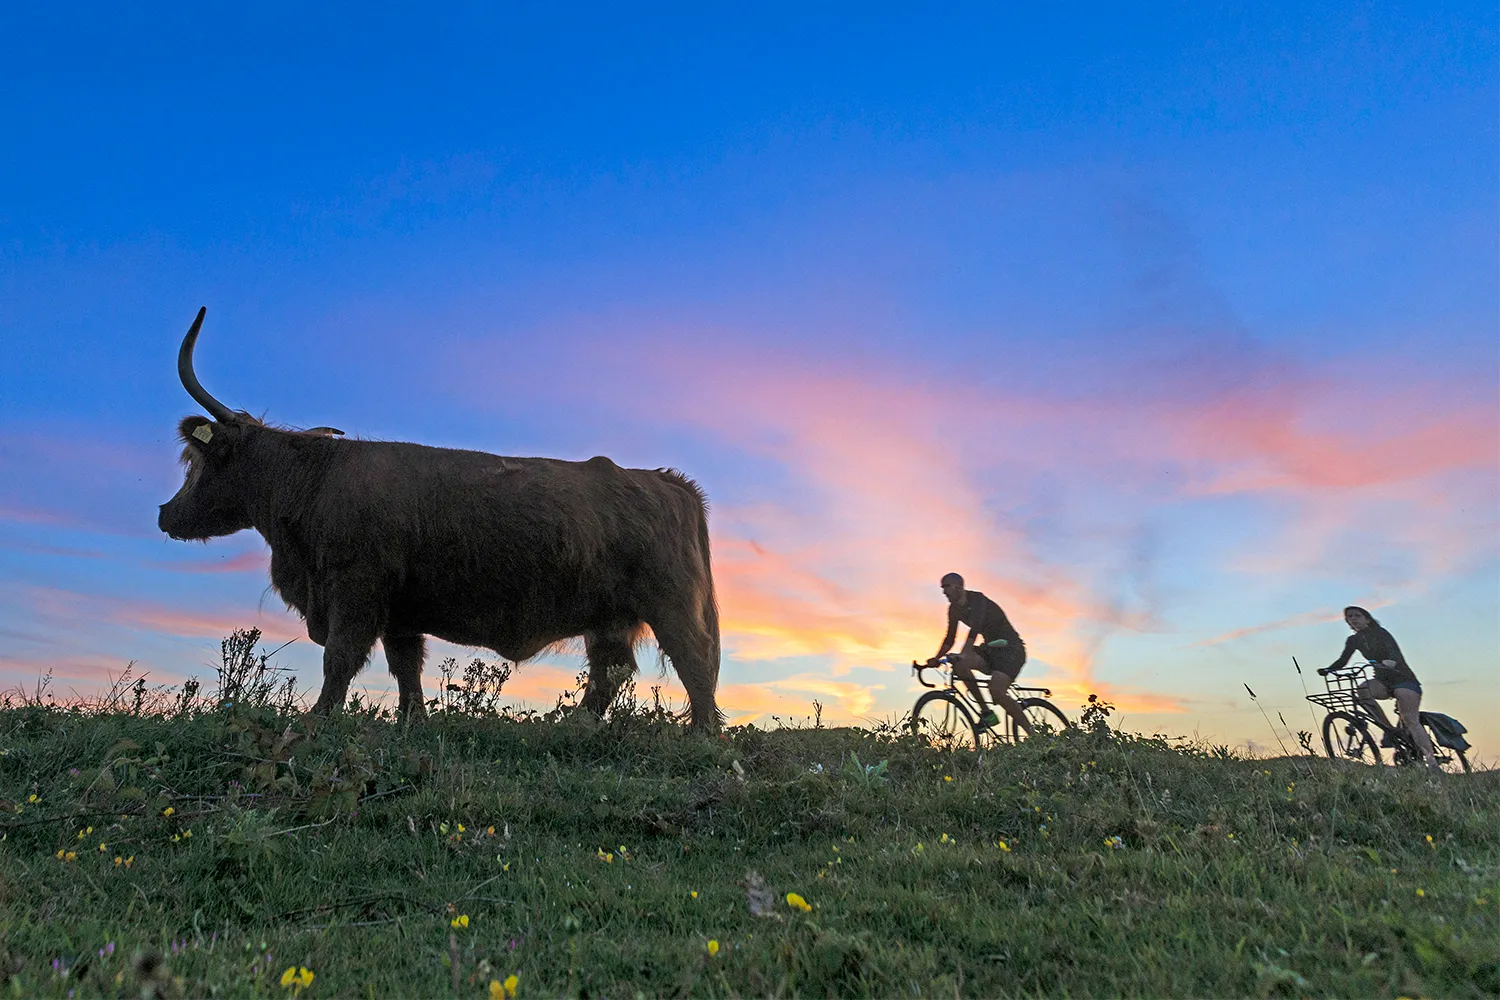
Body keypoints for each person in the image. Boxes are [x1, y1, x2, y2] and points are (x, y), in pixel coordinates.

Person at [1319, 606, 1437, 768]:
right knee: (1362, 690)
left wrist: (1391, 662)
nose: (1353, 619)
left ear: (1367, 619)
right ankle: (1389, 729)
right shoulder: (1353, 640)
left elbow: (1394, 651)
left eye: (1357, 615)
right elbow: (1343, 660)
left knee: (1410, 720)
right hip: (1382, 680)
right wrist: (1329, 669)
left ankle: (1432, 762)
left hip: (1403, 679)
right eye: (1350, 617)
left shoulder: (1381, 633)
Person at [927, 573, 1031, 734]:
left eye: (946, 587)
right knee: (959, 665)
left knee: (996, 691)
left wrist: (964, 653)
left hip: (1011, 650)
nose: (944, 592)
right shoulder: (954, 609)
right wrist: (936, 658)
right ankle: (987, 714)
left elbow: (975, 628)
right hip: (990, 649)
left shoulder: (977, 600)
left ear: (958, 586)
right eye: (942, 588)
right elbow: (950, 638)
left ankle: (1033, 734)